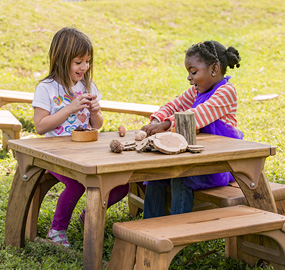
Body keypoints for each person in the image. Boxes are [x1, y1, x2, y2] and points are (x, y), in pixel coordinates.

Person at [32, 27, 129, 247]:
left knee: (122, 185)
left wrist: (95, 111)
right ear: (61, 60)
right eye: (78, 62)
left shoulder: (87, 85)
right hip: (54, 153)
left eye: (87, 61)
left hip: (85, 151)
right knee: (76, 183)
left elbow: (97, 124)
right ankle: (56, 230)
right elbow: (40, 126)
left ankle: (89, 215)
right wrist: (68, 109)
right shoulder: (46, 88)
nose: (84, 67)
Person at [141, 40, 243, 219]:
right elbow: (175, 105)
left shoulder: (226, 92)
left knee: (181, 178)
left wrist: (165, 125)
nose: (189, 78)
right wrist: (157, 119)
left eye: (193, 72)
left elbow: (197, 115)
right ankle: (149, 228)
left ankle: (178, 234)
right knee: (156, 174)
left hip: (215, 165)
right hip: (194, 161)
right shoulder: (198, 90)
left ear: (214, 68)